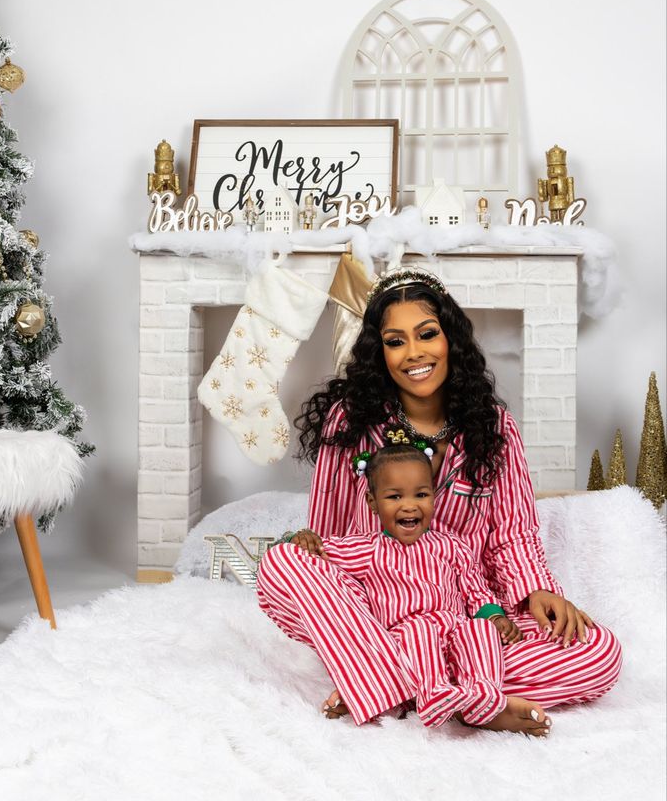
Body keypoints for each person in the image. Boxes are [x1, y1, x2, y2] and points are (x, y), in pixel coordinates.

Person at [256, 267, 622, 727]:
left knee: (600, 653)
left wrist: (535, 591)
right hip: (372, 615)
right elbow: (327, 531)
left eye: (426, 334)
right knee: (280, 562)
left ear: (450, 338)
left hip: (473, 620)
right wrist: (307, 548)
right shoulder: (350, 421)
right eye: (396, 341)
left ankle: (392, 684)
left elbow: (513, 533)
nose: (414, 353)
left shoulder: (495, 427)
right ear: (380, 353)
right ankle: (457, 690)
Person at [267, 437, 552, 736]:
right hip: (407, 640)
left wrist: (494, 617)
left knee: (479, 630)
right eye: (394, 497)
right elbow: (319, 558)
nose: (409, 505)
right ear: (373, 504)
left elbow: (475, 590)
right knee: (422, 628)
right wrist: (299, 538)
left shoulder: (452, 546)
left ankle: (483, 699)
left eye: (421, 494)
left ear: (433, 498)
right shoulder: (368, 549)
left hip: (455, 633)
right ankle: (433, 691)